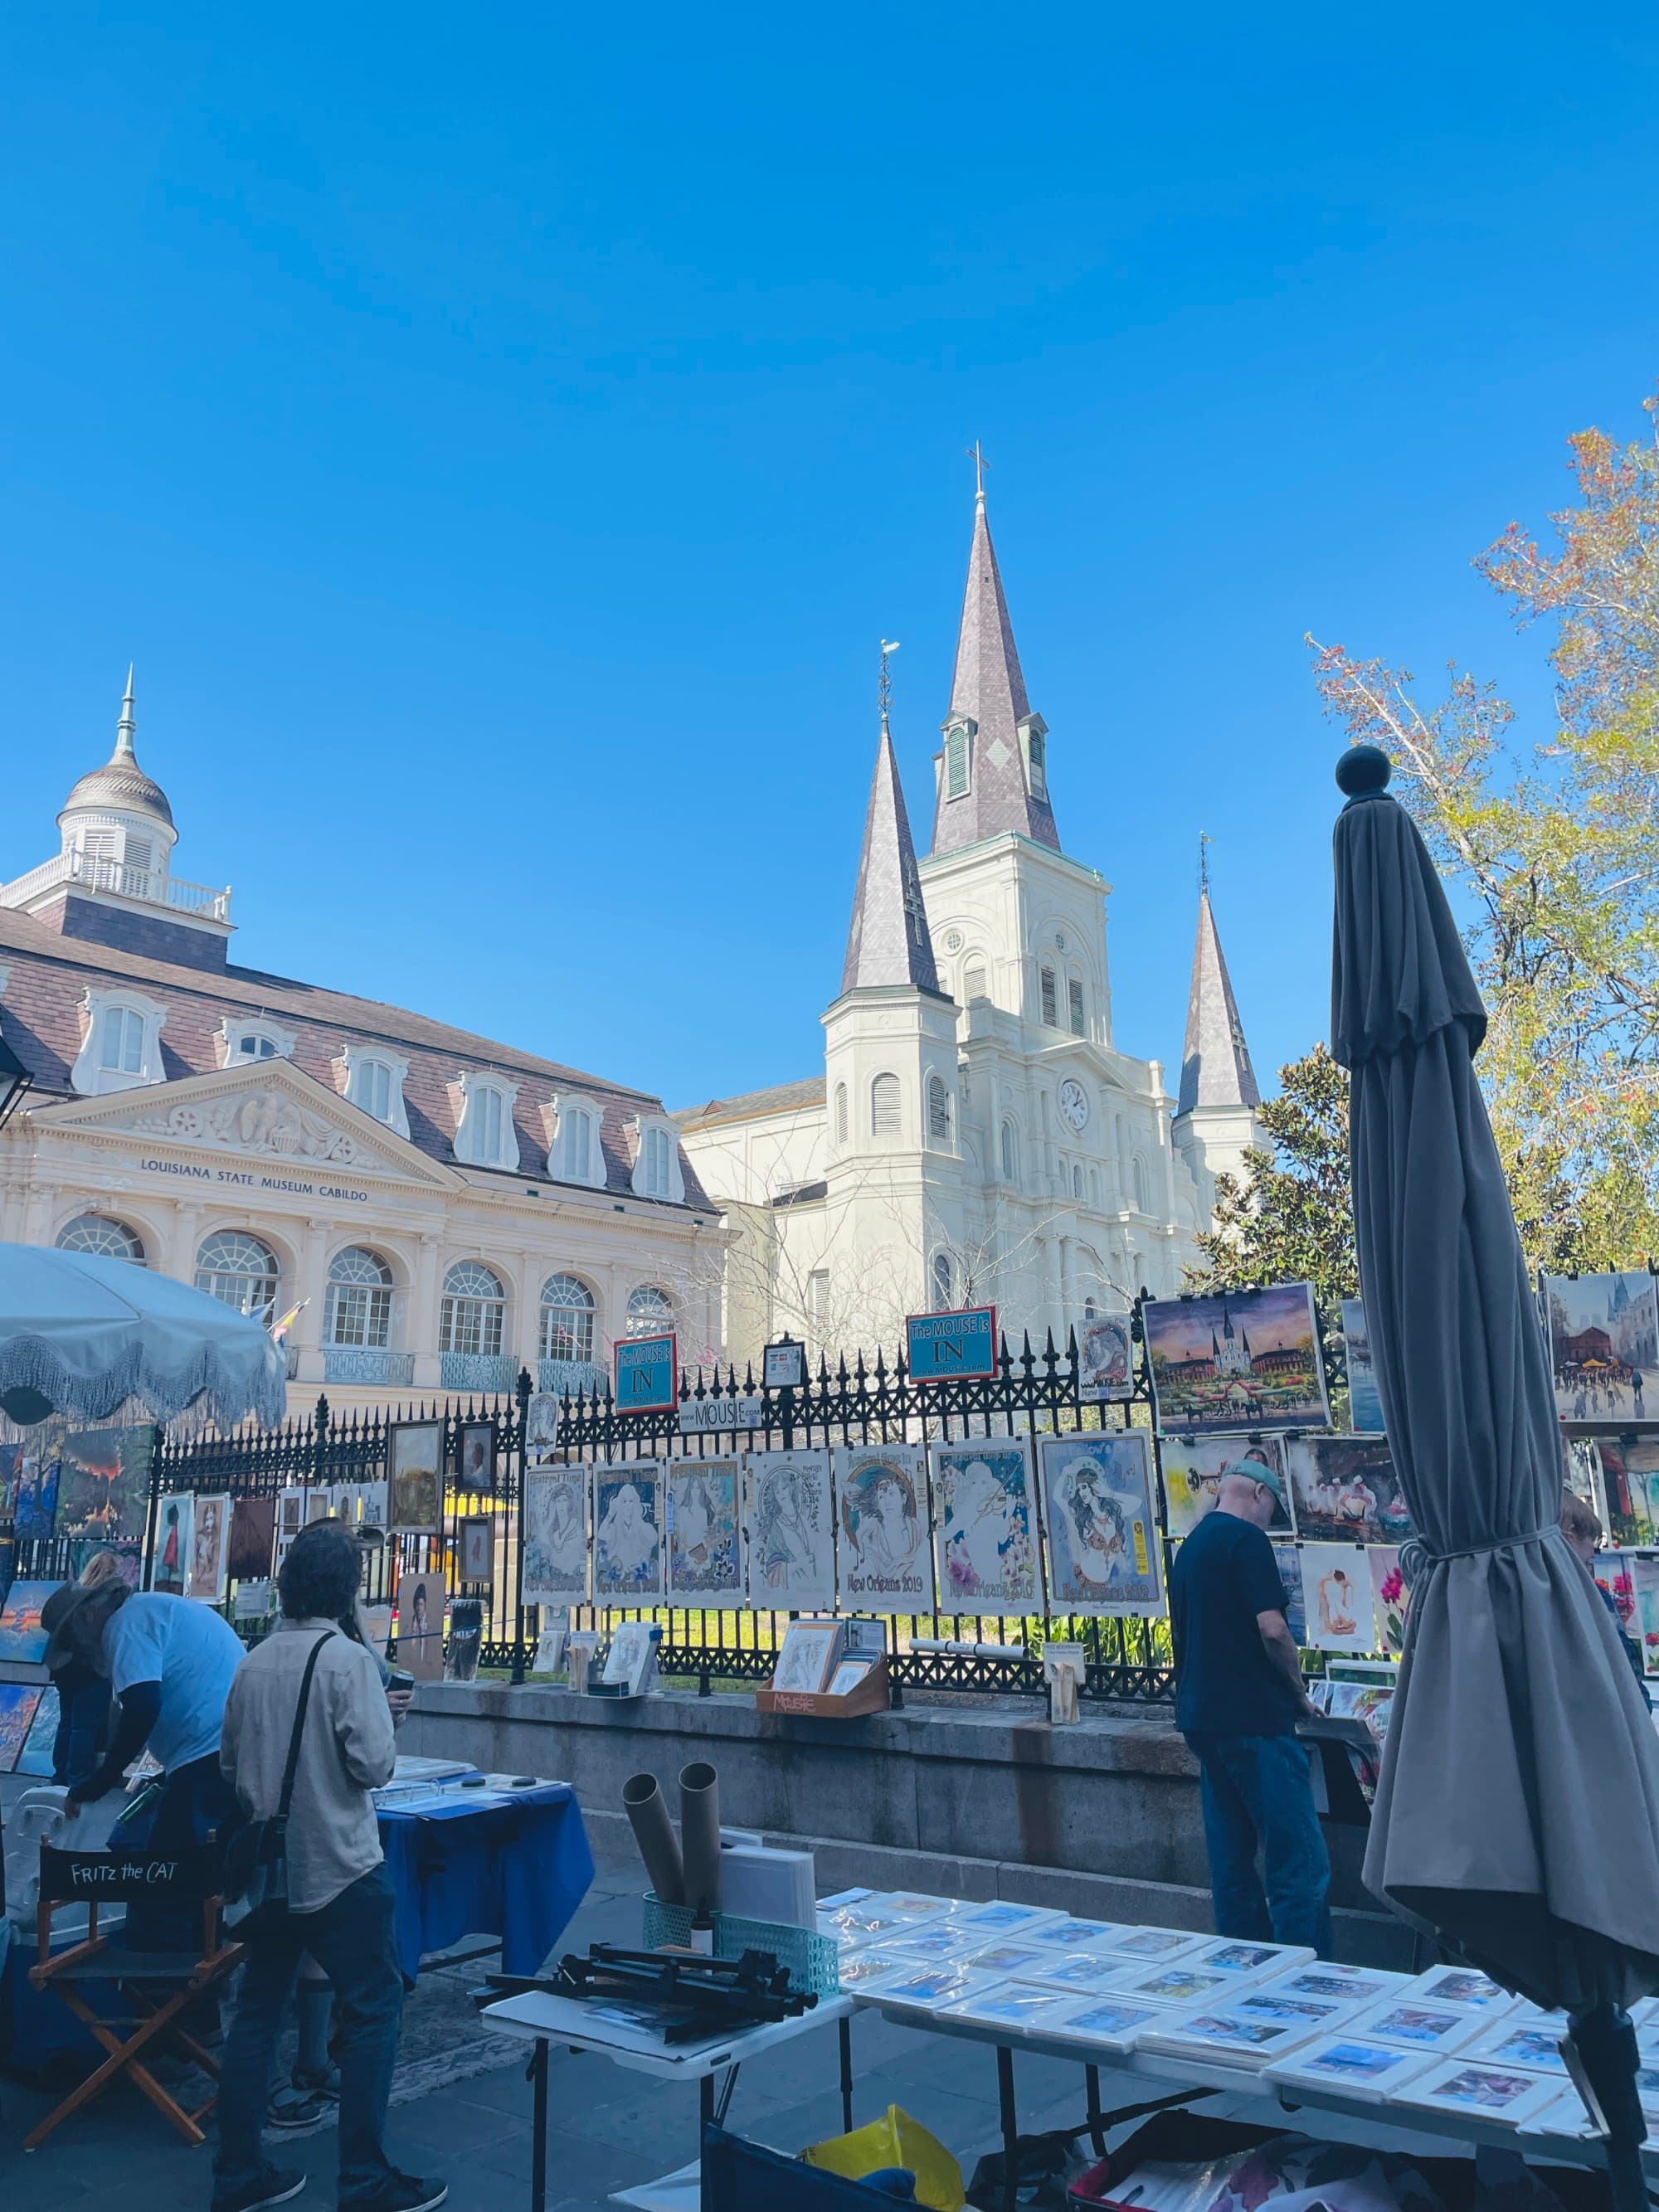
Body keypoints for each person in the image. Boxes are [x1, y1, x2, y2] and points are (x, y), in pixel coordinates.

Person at [212, 1520, 444, 2212]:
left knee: (257, 2014)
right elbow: (374, 1765)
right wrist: (388, 1722)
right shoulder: (346, 1660)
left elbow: (229, 1764)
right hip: (339, 1860)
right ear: (345, 1591)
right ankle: (365, 2178)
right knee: (373, 2007)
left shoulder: (252, 1661)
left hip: (269, 1869)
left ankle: (238, 2174)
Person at [1168, 1458, 1333, 1956]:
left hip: (1203, 1722)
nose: (1271, 1524)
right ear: (1258, 1495)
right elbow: (1273, 1629)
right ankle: (1306, 1982)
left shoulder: (1190, 1549)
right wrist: (1298, 1693)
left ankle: (1245, 1978)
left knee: (1232, 1865)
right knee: (1297, 1863)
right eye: (1274, 1512)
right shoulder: (1248, 1542)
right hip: (1257, 1723)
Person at [1560, 1494, 1651, 1709]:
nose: (1590, 1570)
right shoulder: (1589, 1595)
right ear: (1569, 1537)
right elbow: (1625, 1669)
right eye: (1587, 1562)